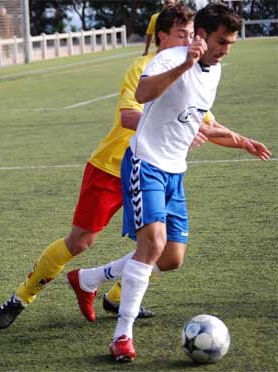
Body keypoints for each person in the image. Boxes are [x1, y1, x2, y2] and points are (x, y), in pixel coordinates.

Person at [65, 3, 271, 362]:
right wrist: (184, 65)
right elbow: (143, 96)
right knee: (153, 243)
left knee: (172, 258)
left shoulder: (215, 71)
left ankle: (89, 279)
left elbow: (195, 121)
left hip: (176, 170)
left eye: (231, 44)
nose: (225, 50)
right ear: (202, 37)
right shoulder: (168, 59)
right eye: (221, 41)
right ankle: (121, 336)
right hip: (145, 163)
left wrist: (240, 140)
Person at [0, 3, 195, 330]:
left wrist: (233, 136)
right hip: (111, 168)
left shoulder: (193, 70)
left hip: (155, 169)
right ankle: (21, 297)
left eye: (191, 35)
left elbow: (203, 119)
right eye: (181, 35)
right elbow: (129, 115)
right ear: (162, 36)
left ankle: (116, 295)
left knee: (165, 250)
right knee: (79, 242)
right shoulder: (143, 67)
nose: (188, 41)